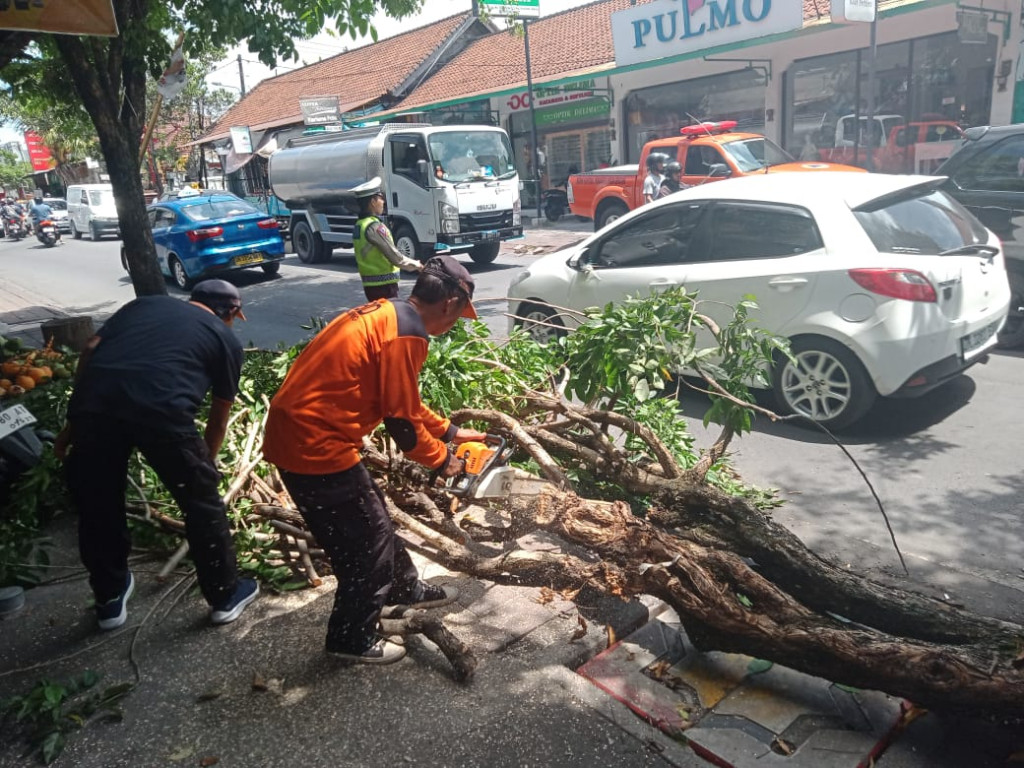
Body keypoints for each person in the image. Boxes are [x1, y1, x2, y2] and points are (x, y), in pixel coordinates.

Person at [262, 255, 487, 665]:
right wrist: (443, 461)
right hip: (312, 443)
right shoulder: (408, 334)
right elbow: (401, 424)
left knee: (374, 519)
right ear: (451, 304)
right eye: (458, 316)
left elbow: (403, 399)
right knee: (367, 544)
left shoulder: (389, 314)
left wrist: (449, 432)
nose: (454, 324)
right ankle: (350, 637)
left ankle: (404, 590)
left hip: (302, 432)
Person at [55, 280, 259, 631]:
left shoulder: (143, 306)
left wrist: (72, 425)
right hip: (162, 414)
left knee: (97, 504)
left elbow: (90, 348)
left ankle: (109, 599)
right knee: (201, 505)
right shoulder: (225, 339)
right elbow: (219, 414)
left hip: (95, 408)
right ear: (229, 312)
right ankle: (225, 596)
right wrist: (204, 467)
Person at [352, 178, 422, 302]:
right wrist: (417, 265)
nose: (383, 201)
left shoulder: (360, 225)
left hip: (370, 286)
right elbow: (396, 257)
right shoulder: (375, 227)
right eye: (380, 198)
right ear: (373, 201)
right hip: (384, 287)